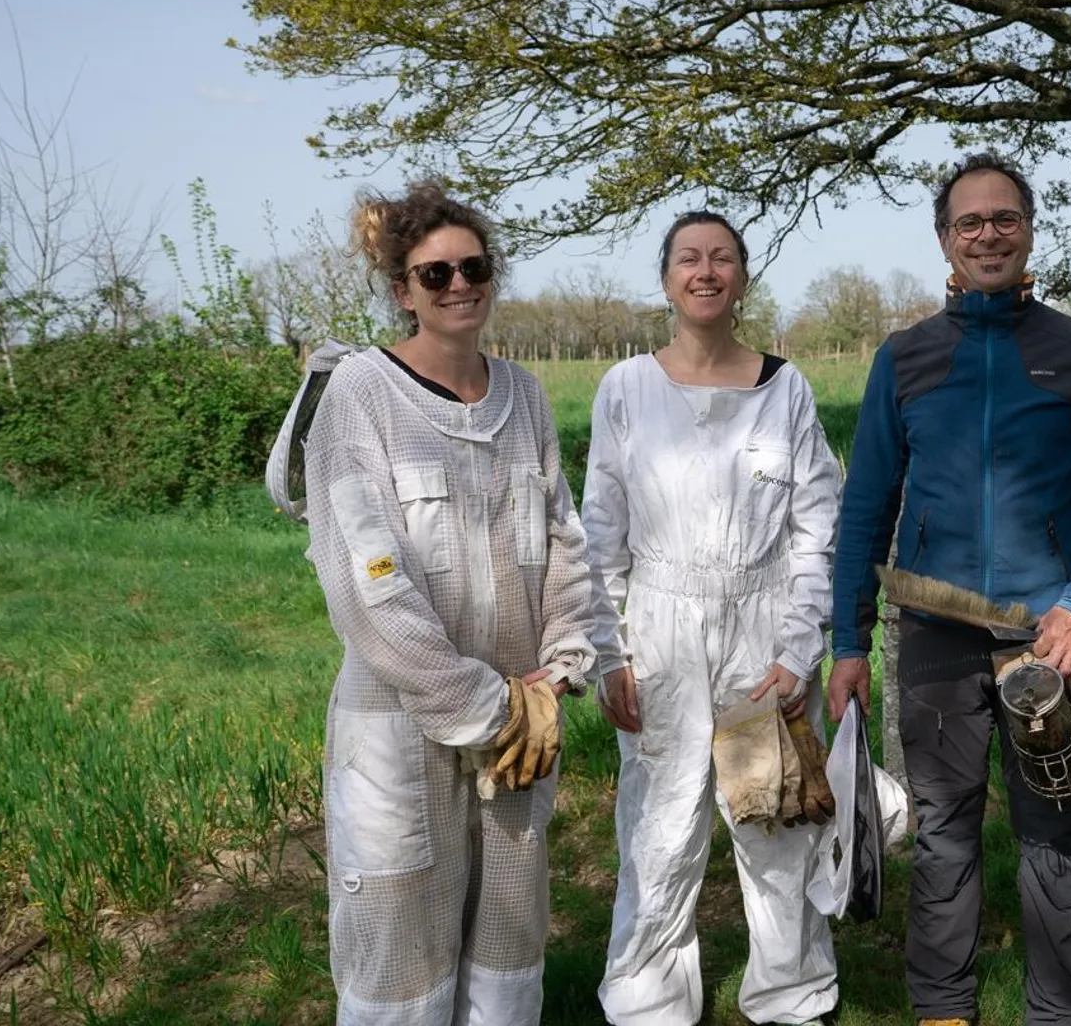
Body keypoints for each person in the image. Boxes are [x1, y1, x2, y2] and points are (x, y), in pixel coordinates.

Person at [827, 154, 1071, 1026]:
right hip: (933, 633)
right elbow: (866, 509)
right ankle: (943, 1010)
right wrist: (849, 643)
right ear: (945, 240)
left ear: (1030, 230)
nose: (988, 234)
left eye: (1003, 218)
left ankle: (1058, 1014)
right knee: (942, 834)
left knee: (1053, 836)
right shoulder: (905, 359)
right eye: (969, 222)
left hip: (1046, 638)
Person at [303, 181, 598, 1024]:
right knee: (401, 950)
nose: (459, 284)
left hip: (521, 718)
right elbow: (368, 587)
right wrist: (483, 706)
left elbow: (565, 541)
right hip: (402, 727)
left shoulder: (526, 397)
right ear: (403, 292)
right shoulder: (362, 396)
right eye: (435, 275)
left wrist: (566, 664)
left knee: (507, 935)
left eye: (474, 267)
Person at [582, 211, 841, 1026]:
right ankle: (648, 997)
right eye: (688, 258)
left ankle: (793, 995)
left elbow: (815, 526)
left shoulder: (784, 388)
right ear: (666, 280)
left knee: (774, 814)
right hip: (658, 628)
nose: (705, 271)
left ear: (743, 279)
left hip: (760, 627)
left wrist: (800, 649)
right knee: (659, 824)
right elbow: (600, 531)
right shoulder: (626, 388)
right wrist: (606, 650)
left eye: (722, 258)